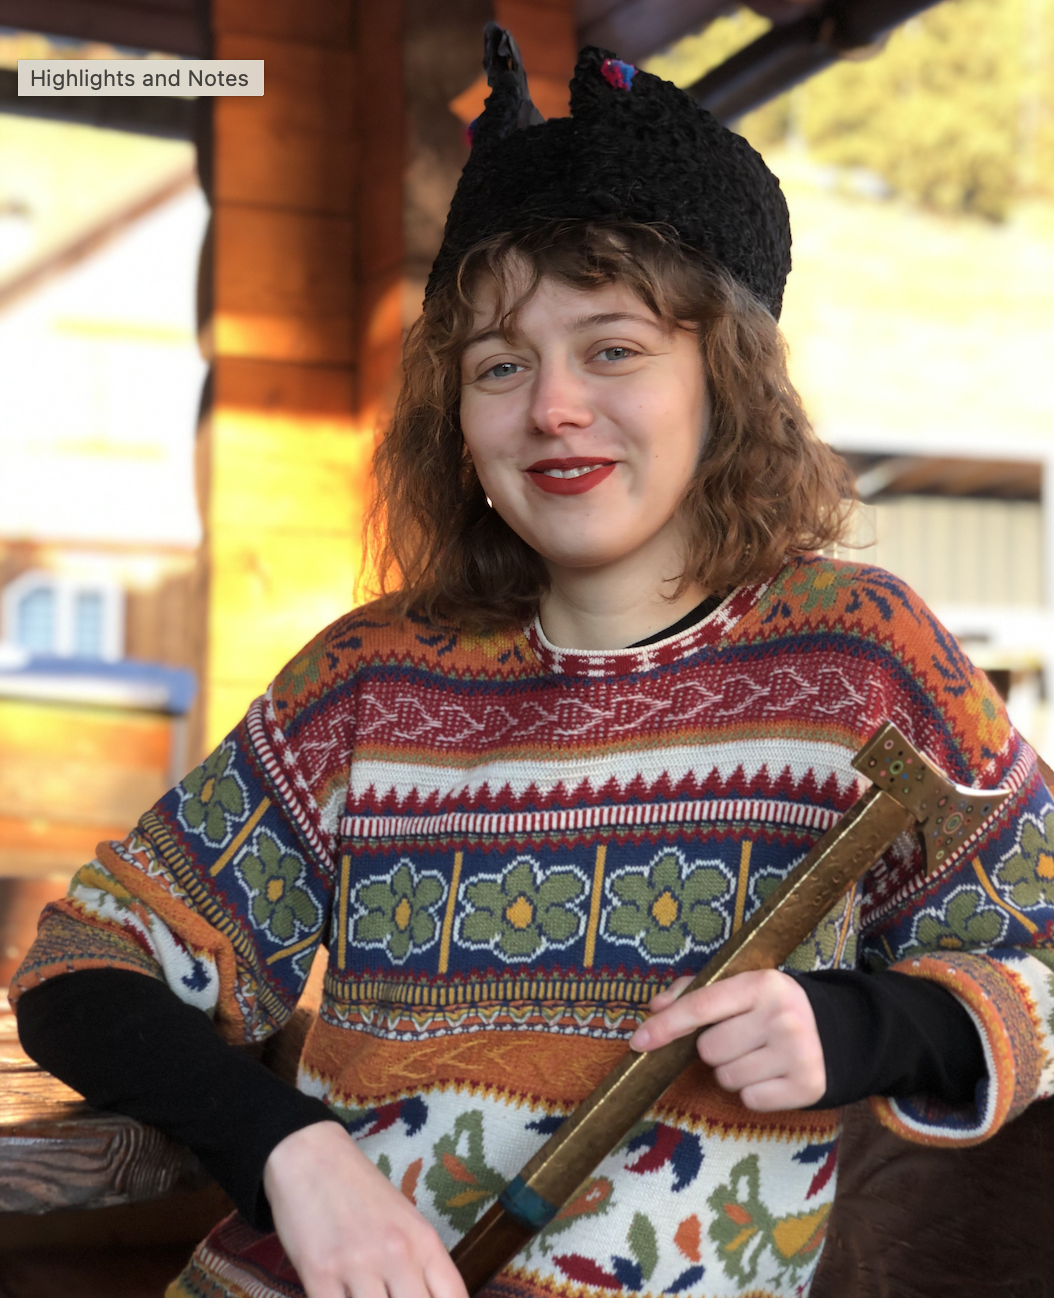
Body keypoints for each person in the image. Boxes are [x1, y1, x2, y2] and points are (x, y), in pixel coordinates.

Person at [13, 27, 1054, 1298]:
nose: (552, 406)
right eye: (500, 365)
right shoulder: (370, 681)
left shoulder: (858, 660)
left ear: (724, 383)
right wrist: (292, 1153)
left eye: (613, 348)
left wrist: (861, 1025)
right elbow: (86, 964)